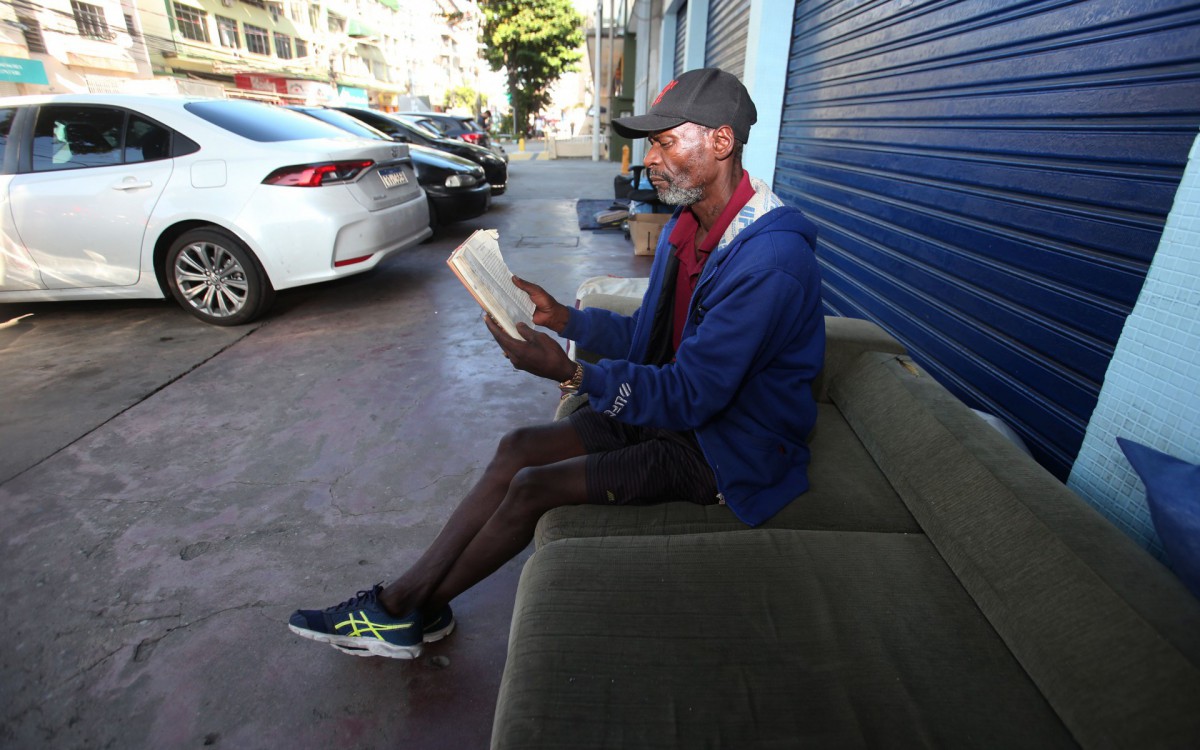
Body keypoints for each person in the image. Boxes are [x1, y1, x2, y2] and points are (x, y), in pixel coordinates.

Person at [287, 68, 825, 659]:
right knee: (519, 445)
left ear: (721, 143)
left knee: (532, 486)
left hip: (723, 447)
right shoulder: (688, 226)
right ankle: (418, 606)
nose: (651, 158)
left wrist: (573, 375)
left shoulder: (766, 261)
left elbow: (693, 394)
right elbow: (650, 339)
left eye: (667, 141)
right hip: (676, 414)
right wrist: (564, 320)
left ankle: (396, 611)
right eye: (652, 143)